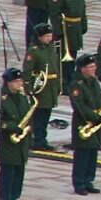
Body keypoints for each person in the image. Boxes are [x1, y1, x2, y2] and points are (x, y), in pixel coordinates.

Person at [66, 53, 101, 194]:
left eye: (94, 66)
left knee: (92, 153)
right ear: (82, 69)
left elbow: (98, 100)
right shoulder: (76, 85)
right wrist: (94, 116)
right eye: (90, 67)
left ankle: (88, 180)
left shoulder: (93, 81)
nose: (93, 69)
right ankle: (79, 183)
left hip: (95, 121)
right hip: (83, 122)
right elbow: (79, 106)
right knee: (82, 154)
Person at [0, 67, 33, 200]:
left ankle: (14, 198)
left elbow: (28, 115)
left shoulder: (22, 96)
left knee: (19, 171)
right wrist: (13, 127)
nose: (20, 83)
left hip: (21, 140)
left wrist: (29, 136)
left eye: (20, 80)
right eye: (16, 81)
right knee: (8, 172)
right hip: (8, 142)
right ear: (8, 83)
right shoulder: (0, 98)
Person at [23, 22, 63, 150]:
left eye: (50, 35)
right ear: (39, 37)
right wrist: (29, 89)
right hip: (41, 87)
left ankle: (42, 138)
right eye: (46, 36)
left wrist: (58, 85)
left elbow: (55, 68)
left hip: (50, 86)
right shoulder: (33, 51)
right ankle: (37, 139)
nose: (49, 38)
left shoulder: (51, 48)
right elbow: (27, 71)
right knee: (38, 115)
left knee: (46, 114)